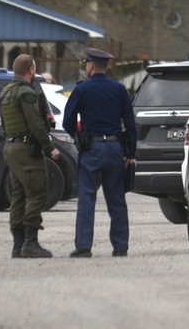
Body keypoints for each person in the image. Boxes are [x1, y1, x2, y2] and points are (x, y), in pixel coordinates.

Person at [62, 47, 137, 258]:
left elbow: (68, 120)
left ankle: (84, 247)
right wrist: (130, 153)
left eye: (87, 64)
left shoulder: (82, 89)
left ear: (91, 66)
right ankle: (120, 247)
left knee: (87, 198)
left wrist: (79, 138)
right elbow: (131, 124)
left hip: (92, 149)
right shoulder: (119, 89)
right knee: (116, 199)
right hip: (115, 149)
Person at [0, 54, 60, 259]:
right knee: (37, 192)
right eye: (34, 68)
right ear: (30, 70)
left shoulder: (6, 92)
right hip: (26, 150)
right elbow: (35, 124)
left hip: (11, 147)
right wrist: (50, 147)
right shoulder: (26, 93)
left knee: (19, 195)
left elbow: (5, 126)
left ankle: (18, 245)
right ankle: (30, 244)